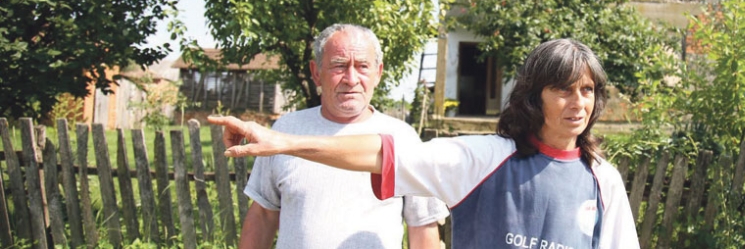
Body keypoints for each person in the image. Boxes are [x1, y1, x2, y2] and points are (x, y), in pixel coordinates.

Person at [213, 38, 641, 249]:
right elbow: (381, 153)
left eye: (587, 90)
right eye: (563, 89)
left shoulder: (602, 180)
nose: (578, 103)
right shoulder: (486, 159)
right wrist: (283, 142)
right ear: (534, 96)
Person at [238, 24, 448, 249]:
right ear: (316, 73)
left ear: (378, 73)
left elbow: (423, 226)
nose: (351, 79)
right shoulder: (286, 131)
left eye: (362, 66)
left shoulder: (402, 139)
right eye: (339, 66)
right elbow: (263, 215)